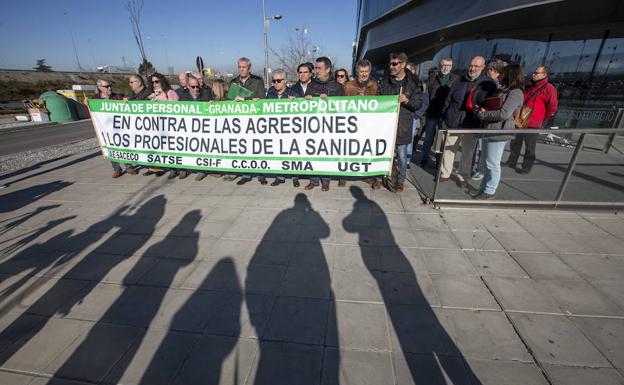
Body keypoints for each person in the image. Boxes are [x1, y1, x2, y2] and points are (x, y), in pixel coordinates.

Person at [439, 56, 497, 183]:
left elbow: (491, 105)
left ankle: (463, 175)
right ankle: (445, 173)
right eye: (471, 65)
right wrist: (445, 116)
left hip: (472, 123)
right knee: (448, 149)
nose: (472, 68)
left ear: (483, 67)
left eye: (476, 66)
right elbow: (448, 100)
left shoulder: (488, 84)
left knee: (468, 152)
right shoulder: (458, 81)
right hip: (453, 121)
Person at [473, 63, 525, 199]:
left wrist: (484, 115)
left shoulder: (516, 93)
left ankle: (489, 190)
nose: (500, 76)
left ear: (510, 75)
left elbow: (504, 113)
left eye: (503, 73)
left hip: (499, 132)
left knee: (492, 163)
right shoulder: (504, 90)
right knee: (487, 162)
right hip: (492, 130)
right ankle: (484, 188)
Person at [376, 52, 423, 192]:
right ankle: (380, 177)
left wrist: (407, 101)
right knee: (384, 153)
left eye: (395, 64)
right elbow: (378, 101)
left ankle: (400, 180)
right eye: (390, 64)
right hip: (386, 126)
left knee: (402, 156)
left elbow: (418, 104)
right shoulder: (384, 83)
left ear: (403, 65)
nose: (391, 66)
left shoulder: (413, 83)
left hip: (403, 125)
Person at [504, 64, 558, 174]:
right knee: (515, 143)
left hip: (534, 123)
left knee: (530, 147)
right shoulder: (529, 86)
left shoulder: (549, 89)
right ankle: (512, 161)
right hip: (522, 118)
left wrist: (541, 117)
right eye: (534, 72)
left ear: (544, 74)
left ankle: (526, 167)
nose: (533, 74)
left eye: (536, 73)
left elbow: (552, 107)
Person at [304, 57, 345, 191]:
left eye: (319, 68)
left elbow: (342, 107)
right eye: (316, 68)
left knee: (326, 153)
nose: (316, 70)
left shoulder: (337, 87)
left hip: (329, 126)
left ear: (328, 69)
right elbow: (305, 105)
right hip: (313, 126)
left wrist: (329, 100)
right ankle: (314, 180)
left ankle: (326, 180)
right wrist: (306, 99)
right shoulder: (312, 84)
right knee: (313, 152)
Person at [344, 59, 381, 189]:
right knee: (348, 149)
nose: (364, 74)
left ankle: (371, 175)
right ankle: (344, 174)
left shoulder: (375, 86)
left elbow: (381, 104)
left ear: (369, 71)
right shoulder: (348, 86)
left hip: (369, 125)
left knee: (368, 150)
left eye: (366, 71)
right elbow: (340, 103)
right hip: (352, 124)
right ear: (357, 71)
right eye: (361, 71)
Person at [230, 57, 267, 185]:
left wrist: (245, 99)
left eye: (244, 67)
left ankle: (261, 174)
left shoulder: (257, 81)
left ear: (249, 68)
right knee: (244, 147)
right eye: (239, 67)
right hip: (240, 120)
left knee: (257, 147)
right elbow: (229, 100)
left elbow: (262, 98)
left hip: (255, 119)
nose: (241, 69)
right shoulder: (233, 82)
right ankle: (246, 174)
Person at [90, 79, 136, 179]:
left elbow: (126, 108)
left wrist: (126, 102)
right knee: (111, 149)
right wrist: (87, 104)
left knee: (124, 147)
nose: (109, 88)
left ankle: (129, 167)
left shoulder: (117, 97)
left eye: (110, 86)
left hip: (119, 128)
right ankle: (117, 169)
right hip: (106, 129)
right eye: (106, 86)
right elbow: (91, 113)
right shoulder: (94, 99)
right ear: (100, 88)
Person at [265, 69, 301, 187]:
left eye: (278, 81)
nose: (275, 83)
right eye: (273, 81)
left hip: (290, 131)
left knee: (292, 153)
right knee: (278, 153)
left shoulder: (294, 94)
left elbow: (302, 114)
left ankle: (295, 177)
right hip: (275, 131)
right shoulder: (270, 95)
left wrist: (296, 103)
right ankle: (279, 177)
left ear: (285, 81)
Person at [420, 58, 458, 168]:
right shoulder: (432, 78)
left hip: (445, 115)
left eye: (448, 65)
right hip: (432, 113)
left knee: (441, 140)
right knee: (428, 138)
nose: (446, 67)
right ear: (440, 66)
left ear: (451, 66)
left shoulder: (455, 79)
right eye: (444, 65)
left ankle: (438, 161)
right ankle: (424, 158)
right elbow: (426, 93)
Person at [472, 58, 506, 181]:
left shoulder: (498, 87)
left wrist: (484, 113)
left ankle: (482, 173)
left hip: (491, 123)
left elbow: (501, 111)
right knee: (482, 149)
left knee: (488, 155)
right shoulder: (494, 85)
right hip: (485, 121)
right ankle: (480, 170)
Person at [145, 73, 179, 177]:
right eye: (152, 82)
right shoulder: (152, 94)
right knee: (158, 146)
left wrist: (163, 102)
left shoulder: (170, 92)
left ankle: (174, 168)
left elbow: (177, 108)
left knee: (170, 147)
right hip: (156, 125)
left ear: (162, 81)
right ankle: (156, 167)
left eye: (157, 81)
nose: (154, 84)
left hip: (169, 125)